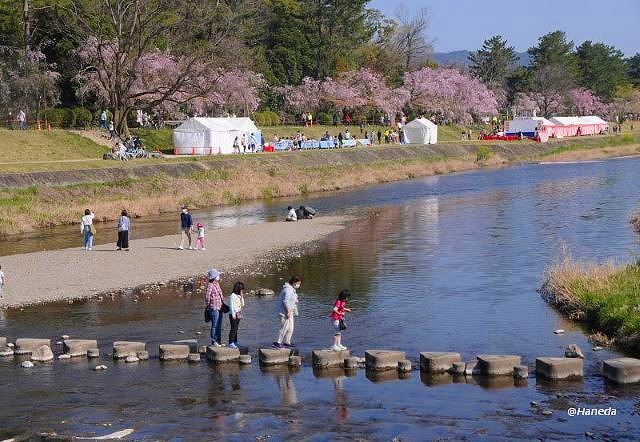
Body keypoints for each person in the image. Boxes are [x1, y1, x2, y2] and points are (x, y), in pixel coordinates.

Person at [273, 276, 301, 349]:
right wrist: (287, 312)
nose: (299, 285)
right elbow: (285, 301)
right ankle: (278, 343)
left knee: (291, 328)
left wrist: (296, 301)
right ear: (294, 282)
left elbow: (292, 299)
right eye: (298, 283)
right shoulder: (288, 290)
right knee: (285, 327)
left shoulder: (292, 289)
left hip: (290, 311)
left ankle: (287, 342)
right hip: (284, 312)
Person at [205, 269, 225, 347]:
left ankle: (218, 341)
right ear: (214, 277)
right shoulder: (210, 285)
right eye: (218, 275)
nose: (219, 276)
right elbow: (207, 297)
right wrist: (209, 306)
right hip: (214, 308)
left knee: (219, 325)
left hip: (220, 307)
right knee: (214, 325)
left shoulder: (217, 284)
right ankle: (214, 341)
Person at [228, 281, 245, 349]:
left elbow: (243, 304)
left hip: (239, 313)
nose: (242, 291)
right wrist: (233, 314)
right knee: (233, 329)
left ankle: (235, 342)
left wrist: (241, 297)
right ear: (238, 289)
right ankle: (231, 342)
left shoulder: (239, 296)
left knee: (236, 329)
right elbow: (231, 305)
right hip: (233, 314)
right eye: (241, 289)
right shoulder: (233, 296)